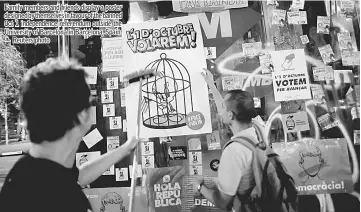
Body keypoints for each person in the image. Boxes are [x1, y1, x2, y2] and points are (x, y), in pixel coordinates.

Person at [0, 58, 140, 212]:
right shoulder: (58, 199)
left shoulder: (40, 170)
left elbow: (79, 177)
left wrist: (126, 148)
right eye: (90, 102)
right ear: (82, 115)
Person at [194, 70, 259, 211]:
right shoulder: (260, 130)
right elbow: (227, 108)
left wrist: (199, 187)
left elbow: (223, 203)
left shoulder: (234, 151)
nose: (219, 111)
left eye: (223, 107)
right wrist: (211, 84)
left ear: (230, 115)